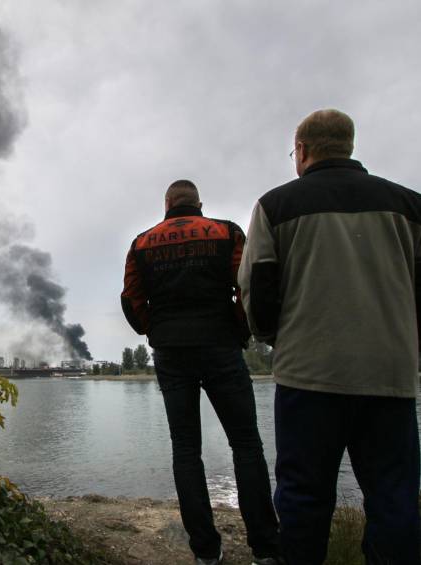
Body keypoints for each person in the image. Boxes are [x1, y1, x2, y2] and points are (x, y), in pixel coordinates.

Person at [238, 108, 421, 565]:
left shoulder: (275, 206)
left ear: (301, 150)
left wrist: (275, 338)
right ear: (349, 145)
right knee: (394, 496)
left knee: (303, 495)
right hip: (391, 376)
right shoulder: (409, 206)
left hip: (309, 377)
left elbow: (256, 289)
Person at [122, 180, 280, 565]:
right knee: (246, 445)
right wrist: (240, 330)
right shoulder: (226, 231)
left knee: (186, 450)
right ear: (198, 203)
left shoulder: (142, 243)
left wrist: (154, 330)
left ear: (167, 205)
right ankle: (265, 547)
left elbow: (131, 298)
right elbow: (246, 287)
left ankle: (206, 551)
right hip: (220, 347)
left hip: (172, 352)